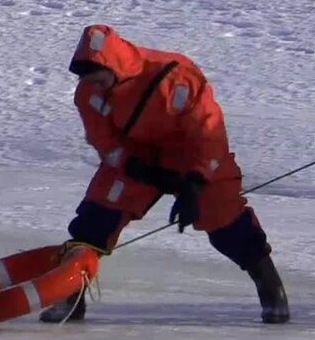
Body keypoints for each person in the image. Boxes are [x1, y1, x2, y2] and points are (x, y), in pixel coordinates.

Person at [39, 24, 289, 325]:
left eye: (99, 78)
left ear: (114, 64)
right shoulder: (89, 92)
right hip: (137, 159)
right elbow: (103, 140)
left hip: (194, 156)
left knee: (224, 221)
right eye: (88, 80)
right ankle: (71, 295)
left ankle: (270, 286)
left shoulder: (174, 75)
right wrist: (133, 167)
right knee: (96, 218)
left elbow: (207, 132)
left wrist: (195, 183)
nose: (95, 85)